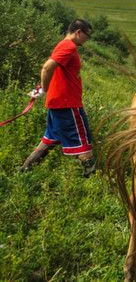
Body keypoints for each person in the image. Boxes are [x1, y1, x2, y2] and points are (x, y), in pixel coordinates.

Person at [19, 19, 96, 177]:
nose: (87, 40)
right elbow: (47, 67)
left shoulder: (64, 45)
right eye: (87, 36)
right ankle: (92, 180)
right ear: (78, 32)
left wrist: (42, 89)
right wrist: (45, 89)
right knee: (83, 143)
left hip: (61, 103)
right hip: (67, 103)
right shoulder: (68, 46)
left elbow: (55, 71)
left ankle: (24, 170)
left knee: (50, 139)